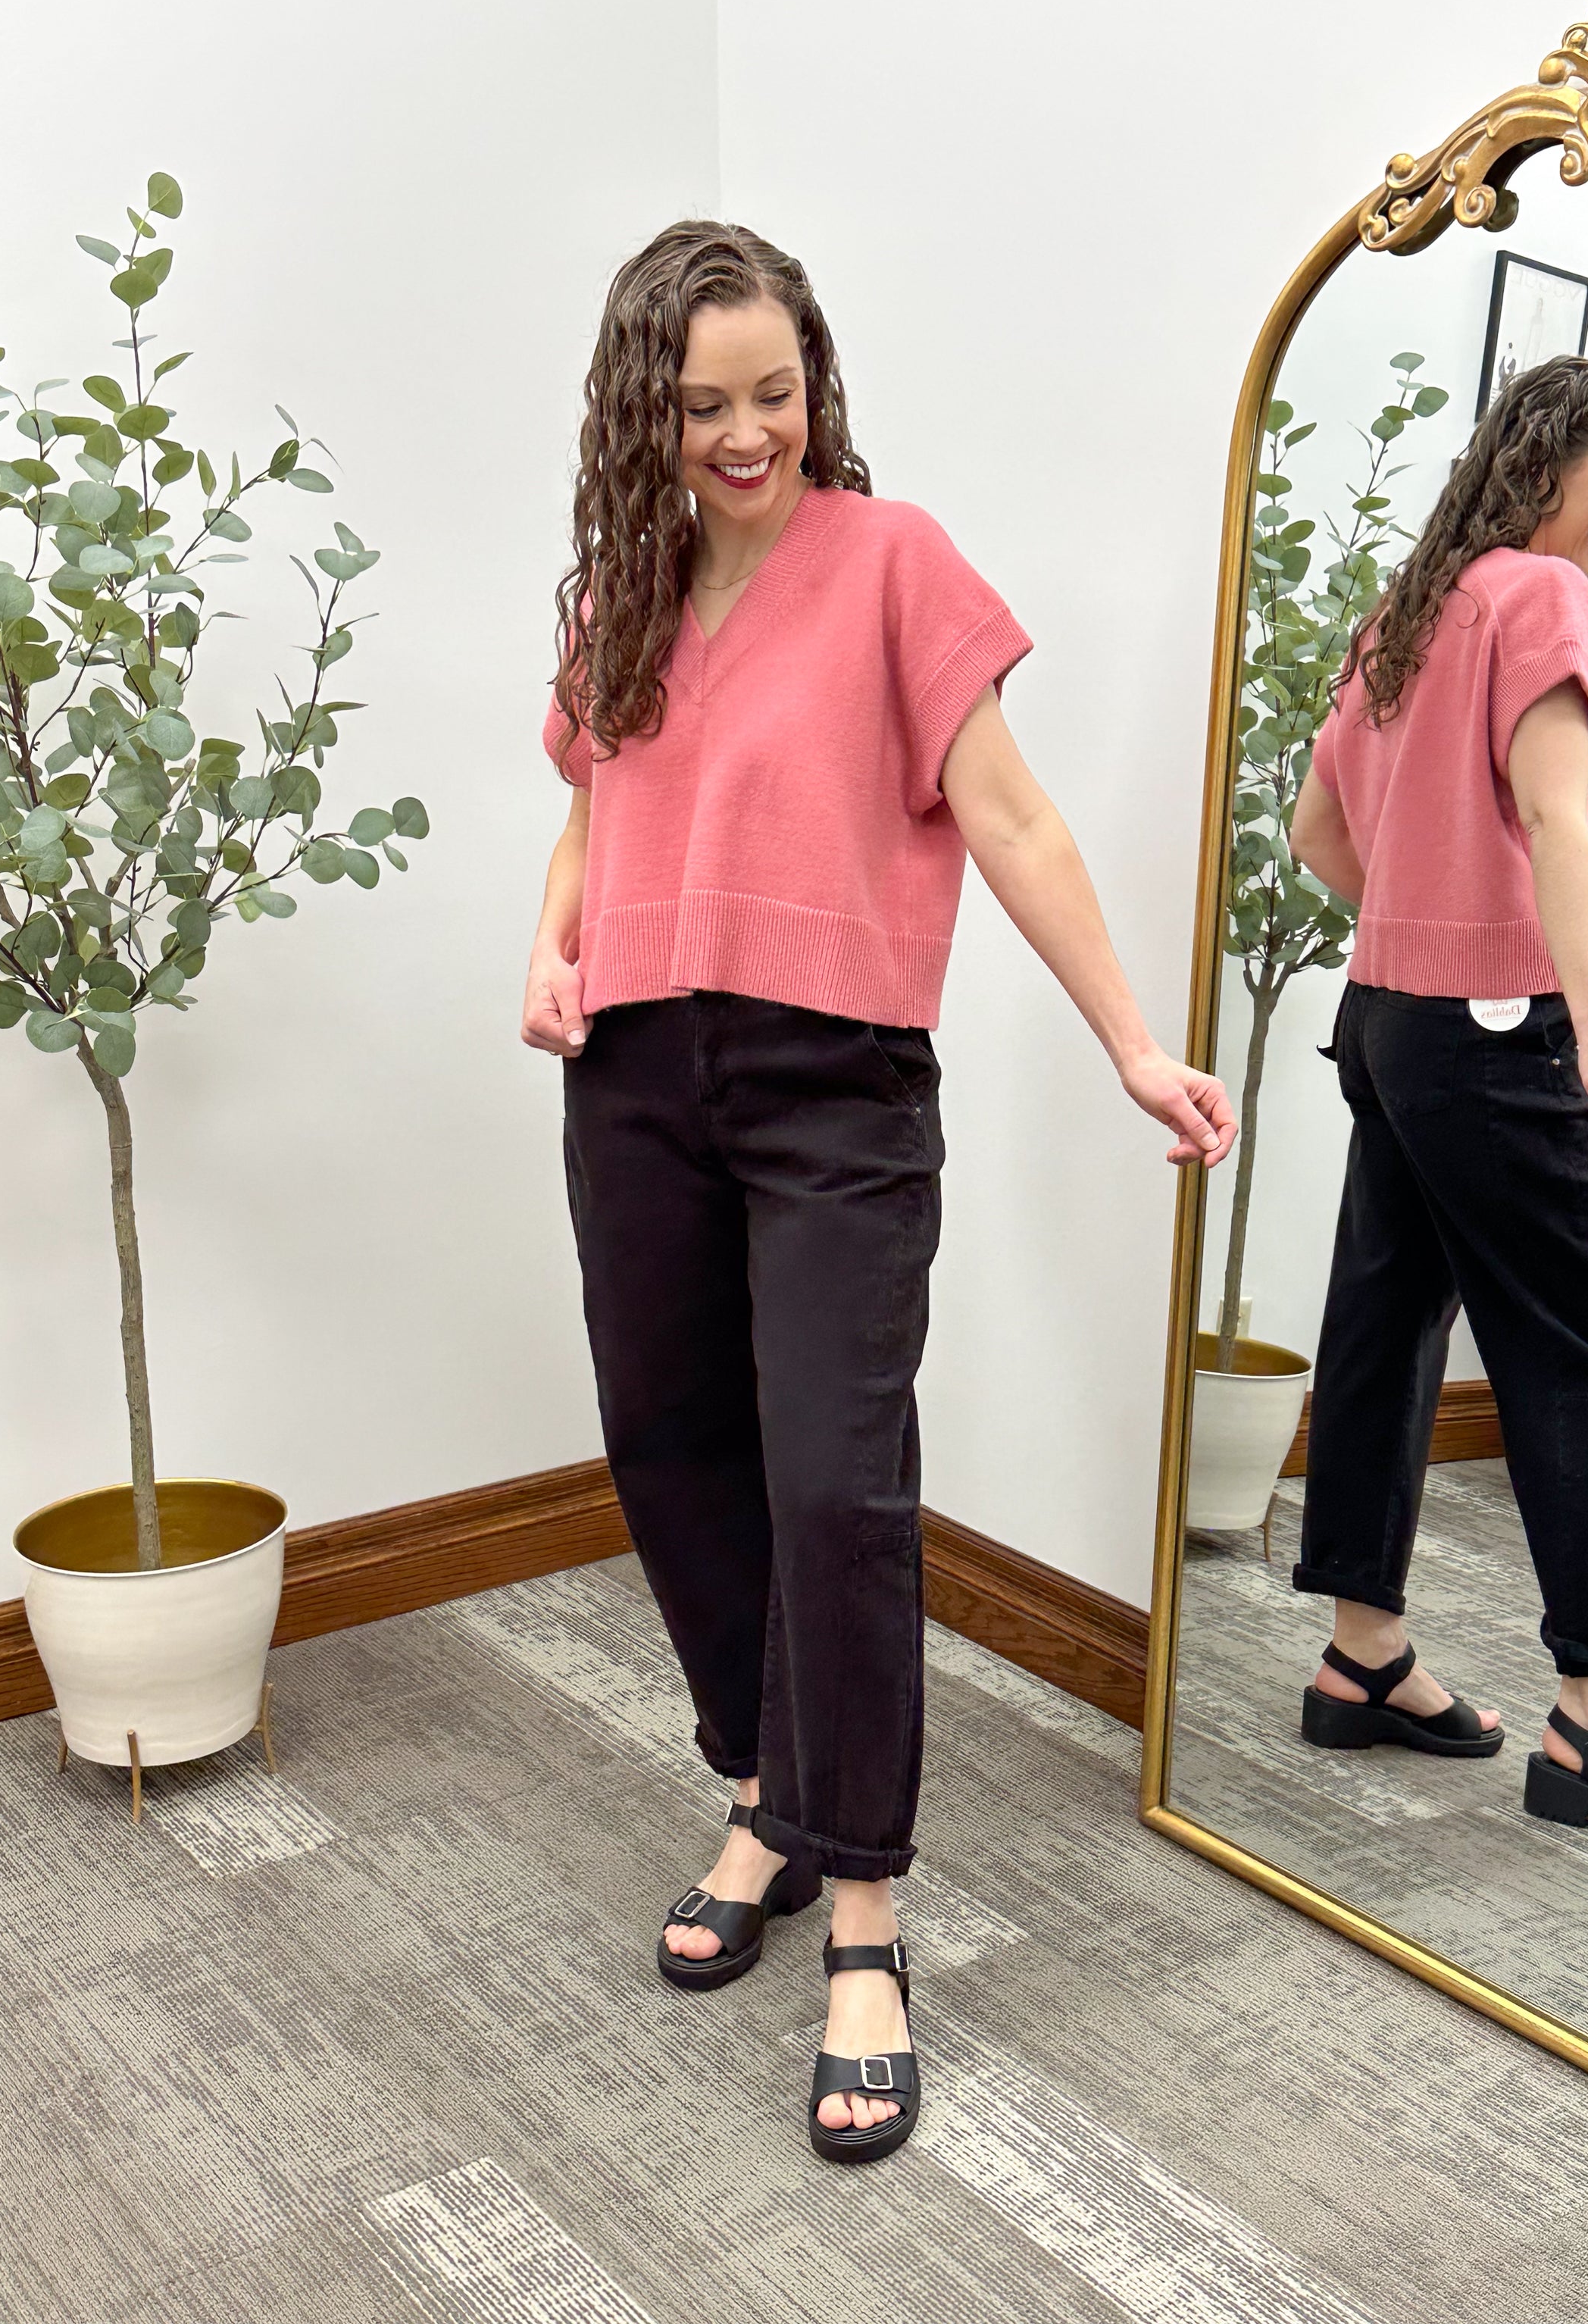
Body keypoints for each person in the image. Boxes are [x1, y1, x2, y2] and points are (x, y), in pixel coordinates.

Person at [520, 221, 1238, 2162]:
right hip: (638, 1074)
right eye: (703, 405)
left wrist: (1133, 1042)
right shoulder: (626, 586)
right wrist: (550, 944)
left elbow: (1005, 809)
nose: (748, 433)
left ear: (815, 379)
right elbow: (596, 797)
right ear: (642, 413)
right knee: (668, 1445)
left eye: (776, 392)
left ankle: (863, 1914)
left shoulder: (893, 559)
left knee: (837, 1483)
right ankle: (765, 1784)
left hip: (837, 1080)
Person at [1286, 355, 1588, 1859]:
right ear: (1548, 465)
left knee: (1388, 1320)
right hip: (1501, 1038)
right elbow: (1556, 812)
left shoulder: (1411, 614)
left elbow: (1317, 833)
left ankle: (1362, 1651)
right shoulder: (1542, 596)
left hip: (1391, 1023)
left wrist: (1424, 937)